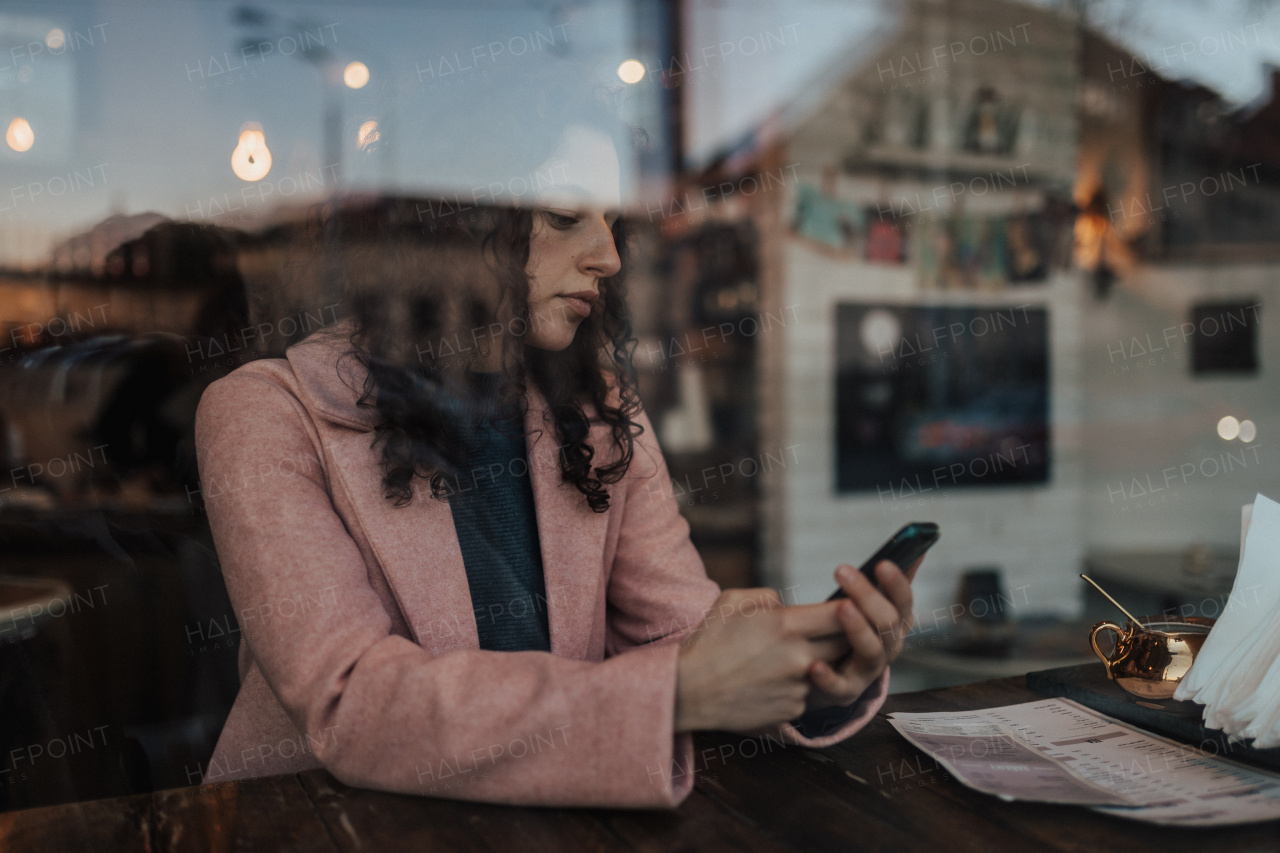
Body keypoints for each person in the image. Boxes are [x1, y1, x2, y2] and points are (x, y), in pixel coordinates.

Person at [194, 64, 922, 807]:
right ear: (456, 223)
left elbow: (684, 638)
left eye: (612, 222)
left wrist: (817, 674)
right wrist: (675, 695)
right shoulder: (264, 414)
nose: (607, 257)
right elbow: (352, 702)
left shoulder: (597, 411)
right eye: (567, 214)